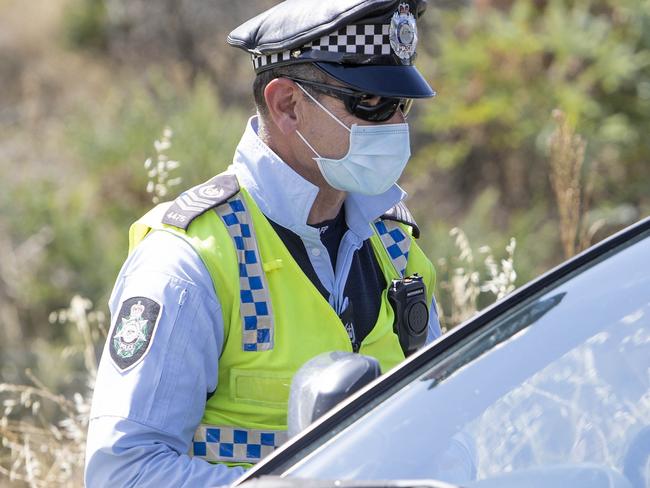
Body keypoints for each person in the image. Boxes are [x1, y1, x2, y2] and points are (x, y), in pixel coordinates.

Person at [85, 0, 441, 486]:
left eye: (401, 105)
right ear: (287, 105)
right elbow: (123, 471)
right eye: (370, 104)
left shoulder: (395, 245)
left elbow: (445, 421)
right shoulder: (189, 262)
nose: (396, 126)